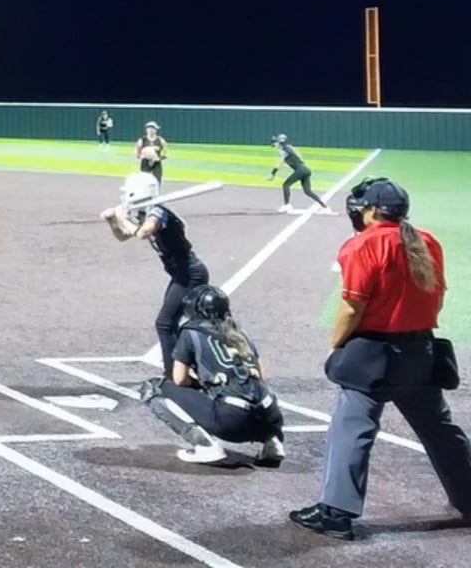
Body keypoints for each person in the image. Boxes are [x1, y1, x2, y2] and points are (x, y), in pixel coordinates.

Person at [291, 177, 471, 541]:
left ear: (372, 210)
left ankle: (336, 513)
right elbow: (436, 298)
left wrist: (336, 344)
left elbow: (352, 306)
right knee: (441, 431)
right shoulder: (426, 241)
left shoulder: (363, 244)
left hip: (373, 356)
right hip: (421, 353)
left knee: (351, 429)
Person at [138, 285, 285, 465]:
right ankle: (272, 442)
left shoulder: (191, 331)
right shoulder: (239, 331)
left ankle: (205, 446)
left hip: (231, 421)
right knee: (255, 392)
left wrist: (200, 383)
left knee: (153, 388)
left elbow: (179, 379)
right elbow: (261, 375)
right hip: (269, 419)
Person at [103, 170, 212, 373]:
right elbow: (123, 236)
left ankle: (173, 373)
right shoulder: (146, 212)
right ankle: (184, 368)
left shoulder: (158, 212)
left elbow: (144, 232)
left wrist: (123, 218)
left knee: (165, 324)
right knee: (171, 323)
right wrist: (113, 221)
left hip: (190, 274)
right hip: (181, 274)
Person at [268, 134, 326, 213]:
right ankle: (324, 206)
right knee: (308, 191)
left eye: (276, 142)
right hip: (306, 170)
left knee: (286, 185)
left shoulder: (284, 150)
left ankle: (287, 205)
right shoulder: (289, 147)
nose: (275, 144)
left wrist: (273, 173)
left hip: (300, 170)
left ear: (281, 142)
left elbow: (280, 163)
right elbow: (298, 157)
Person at [134, 121, 167, 188]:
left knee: (157, 180)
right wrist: (142, 156)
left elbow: (165, 154)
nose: (150, 130)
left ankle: (157, 193)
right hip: (145, 162)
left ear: (156, 130)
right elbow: (137, 153)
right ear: (146, 130)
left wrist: (158, 158)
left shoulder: (161, 140)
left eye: (153, 128)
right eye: (149, 128)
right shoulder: (142, 140)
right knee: (144, 180)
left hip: (156, 163)